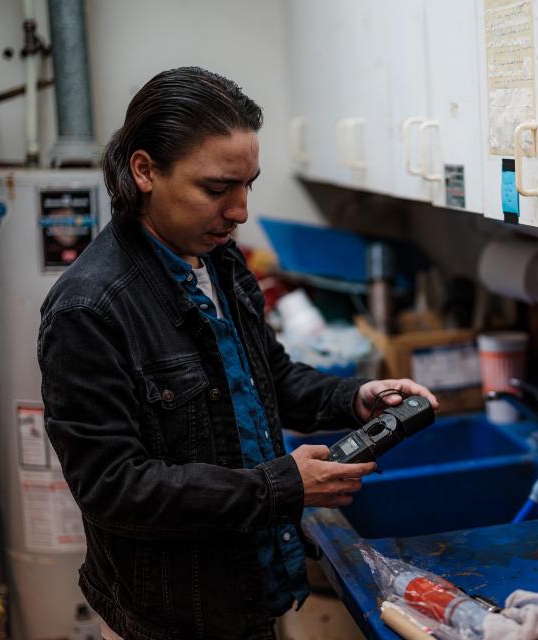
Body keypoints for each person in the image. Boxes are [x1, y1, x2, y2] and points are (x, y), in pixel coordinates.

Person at [37, 66, 438, 640]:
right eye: (217, 188)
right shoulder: (88, 311)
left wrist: (353, 398)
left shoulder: (220, 262)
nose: (240, 210)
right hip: (171, 622)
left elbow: (265, 378)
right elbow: (114, 489)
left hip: (252, 594)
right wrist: (280, 486)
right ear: (144, 170)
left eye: (248, 184)